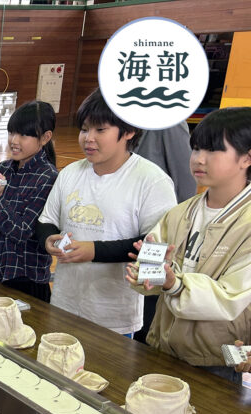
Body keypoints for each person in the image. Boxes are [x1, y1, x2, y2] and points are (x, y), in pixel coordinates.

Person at [35, 88, 177, 338]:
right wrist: (48, 239)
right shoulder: (70, 173)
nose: (88, 138)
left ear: (129, 131)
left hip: (114, 314)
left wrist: (94, 251)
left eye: (100, 130)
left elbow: (155, 246)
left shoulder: (152, 181)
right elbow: (47, 220)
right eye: (84, 129)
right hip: (64, 303)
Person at [126, 107, 251, 385]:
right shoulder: (180, 213)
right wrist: (145, 273)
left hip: (216, 361)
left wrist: (174, 283)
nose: (198, 159)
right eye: (196, 149)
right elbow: (152, 271)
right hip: (161, 347)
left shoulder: (247, 223)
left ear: (246, 158)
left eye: (213, 150)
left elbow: (230, 297)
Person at [0, 101, 59, 302]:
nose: (14, 140)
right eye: (11, 132)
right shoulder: (1, 169)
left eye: (23, 135)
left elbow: (21, 232)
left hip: (24, 277)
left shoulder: (48, 178)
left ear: (45, 137)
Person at [131, 121, 195, 345]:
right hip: (131, 230)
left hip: (159, 228)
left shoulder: (167, 122)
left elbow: (186, 179)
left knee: (148, 302)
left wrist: (179, 226)